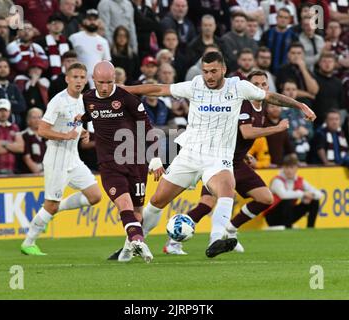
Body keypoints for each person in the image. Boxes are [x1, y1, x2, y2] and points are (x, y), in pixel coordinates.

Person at [122, 51, 316, 258]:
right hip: (190, 154)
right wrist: (124, 90)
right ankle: (132, 245)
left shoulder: (238, 86)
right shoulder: (195, 84)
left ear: (223, 69)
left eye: (213, 71)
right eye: (205, 71)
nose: (209, 76)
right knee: (157, 201)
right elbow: (160, 89)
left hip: (218, 157)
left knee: (226, 190)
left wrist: (299, 105)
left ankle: (217, 240)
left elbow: (269, 96)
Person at [164, 70, 290, 255]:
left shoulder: (260, 107)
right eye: (255, 84)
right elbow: (246, 132)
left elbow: (237, 134)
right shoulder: (244, 104)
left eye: (263, 84)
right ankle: (173, 242)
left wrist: (244, 153)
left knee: (265, 198)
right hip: (219, 161)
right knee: (206, 204)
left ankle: (229, 230)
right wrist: (276, 128)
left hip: (237, 161)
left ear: (267, 87)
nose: (259, 87)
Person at [79, 61, 161, 263]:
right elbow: (86, 116)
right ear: (93, 80)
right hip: (109, 163)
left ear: (114, 79)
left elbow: (147, 128)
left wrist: (156, 157)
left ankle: (127, 250)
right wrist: (81, 127)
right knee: (123, 204)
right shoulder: (87, 98)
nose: (105, 87)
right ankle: (139, 242)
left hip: (136, 161)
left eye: (108, 82)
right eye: (100, 83)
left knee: (137, 211)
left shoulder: (127, 99)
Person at [21, 63, 102, 256]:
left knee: (95, 196)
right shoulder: (58, 101)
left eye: (82, 77)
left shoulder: (83, 101)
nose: (79, 81)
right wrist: (64, 136)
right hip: (56, 159)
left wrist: (84, 133)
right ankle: (28, 242)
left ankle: (53, 212)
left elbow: (76, 126)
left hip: (73, 158)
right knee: (50, 204)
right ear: (67, 78)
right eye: (75, 77)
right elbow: (42, 130)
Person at [265, 154, 323, 229]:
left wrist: (310, 195)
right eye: (286, 167)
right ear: (283, 168)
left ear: (296, 168)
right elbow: (283, 195)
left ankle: (310, 228)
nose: (289, 170)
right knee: (287, 200)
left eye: (291, 167)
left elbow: (319, 194)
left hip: (288, 214)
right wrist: (303, 194)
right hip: (273, 216)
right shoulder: (277, 180)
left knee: (314, 201)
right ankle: (288, 227)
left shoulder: (299, 180)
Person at [69, 9, 111, 88]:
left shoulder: (103, 41)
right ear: (84, 21)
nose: (92, 22)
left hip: (96, 81)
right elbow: (68, 59)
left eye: (95, 20)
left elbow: (106, 63)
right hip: (77, 79)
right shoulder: (74, 38)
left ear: (99, 22)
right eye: (89, 19)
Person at [0, 58, 27, 128]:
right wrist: (14, 103)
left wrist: (3, 104)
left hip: (16, 127)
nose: (3, 69)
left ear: (9, 70)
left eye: (5, 67)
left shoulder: (14, 87)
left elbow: (22, 106)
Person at [21, 108, 46, 173]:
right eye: (34, 117)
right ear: (28, 120)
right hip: (30, 175)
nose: (37, 120)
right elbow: (27, 159)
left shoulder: (46, 136)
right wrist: (39, 174)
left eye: (39, 117)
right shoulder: (24, 136)